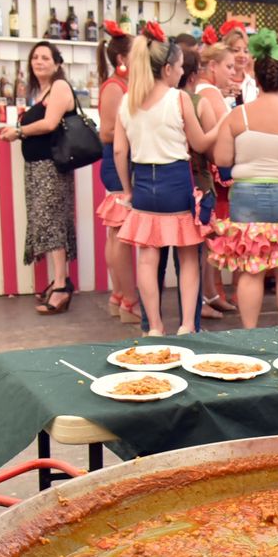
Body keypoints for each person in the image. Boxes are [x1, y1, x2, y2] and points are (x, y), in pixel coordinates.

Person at [208, 31, 278, 328]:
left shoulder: (238, 116)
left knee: (250, 268)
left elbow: (222, 159)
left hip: (246, 195)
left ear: (255, 77)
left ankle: (250, 332)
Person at [113, 26, 212, 335]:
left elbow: (119, 151)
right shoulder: (178, 98)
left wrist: (127, 190)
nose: (182, 72)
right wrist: (224, 125)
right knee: (188, 255)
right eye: (180, 66)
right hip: (176, 182)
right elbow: (200, 143)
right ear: (167, 69)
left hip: (143, 183)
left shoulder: (127, 101)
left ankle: (154, 326)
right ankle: (186, 326)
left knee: (147, 258)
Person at [0, 42, 76, 315]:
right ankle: (60, 280)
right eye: (35, 57)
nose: (39, 62)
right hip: (38, 168)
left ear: (57, 63)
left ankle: (62, 285)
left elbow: (50, 123)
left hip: (51, 168)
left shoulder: (59, 87)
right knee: (47, 222)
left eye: (45, 57)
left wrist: (19, 132)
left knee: (52, 223)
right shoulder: (41, 91)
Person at [192, 40, 238, 318]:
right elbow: (227, 130)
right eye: (228, 66)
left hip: (205, 170)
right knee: (208, 236)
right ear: (212, 66)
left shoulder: (201, 91)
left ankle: (208, 293)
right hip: (209, 171)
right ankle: (203, 296)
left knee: (209, 236)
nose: (232, 72)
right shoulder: (209, 92)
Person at [95, 24, 136, 321]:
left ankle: (119, 295)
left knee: (116, 233)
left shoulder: (121, 86)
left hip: (119, 161)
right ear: (122, 59)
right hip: (118, 162)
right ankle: (128, 300)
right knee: (119, 233)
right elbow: (107, 132)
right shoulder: (114, 87)